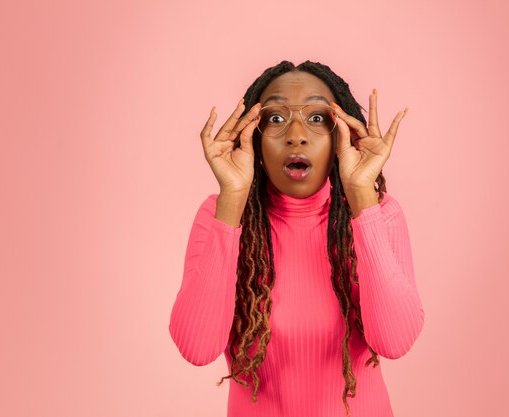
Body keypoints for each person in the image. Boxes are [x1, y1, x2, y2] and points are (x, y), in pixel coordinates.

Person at [169, 60, 425, 417]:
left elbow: (395, 342)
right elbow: (197, 348)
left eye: (317, 118)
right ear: (252, 137)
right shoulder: (220, 215)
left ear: (342, 136)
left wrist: (362, 197)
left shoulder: (381, 214)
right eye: (276, 118)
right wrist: (232, 199)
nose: (296, 134)